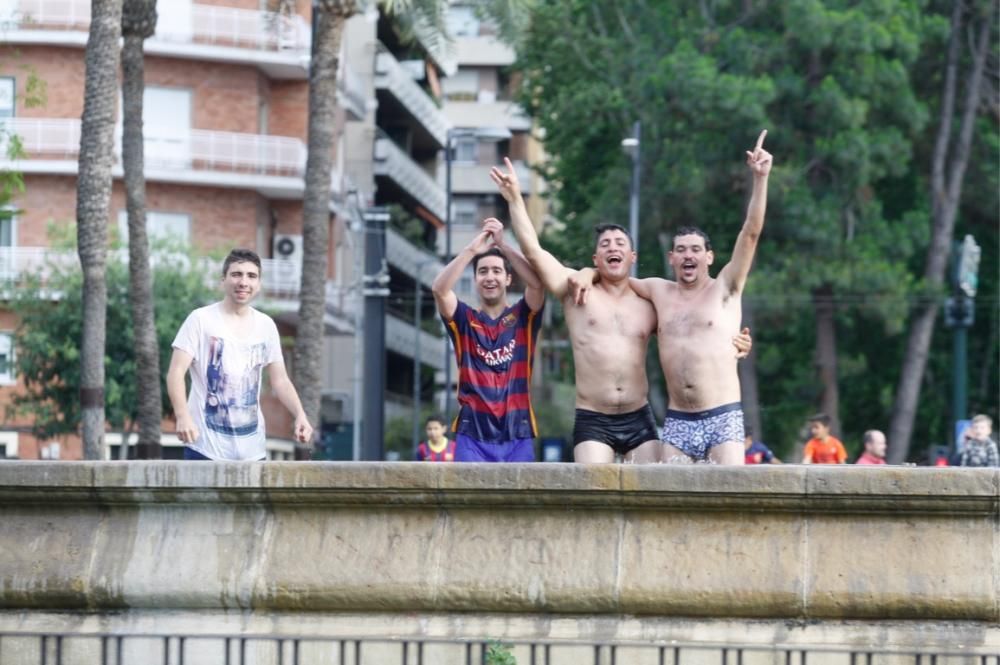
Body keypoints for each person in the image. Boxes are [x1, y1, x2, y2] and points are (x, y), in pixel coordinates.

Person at [490, 159, 752, 464]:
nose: (612, 247)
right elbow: (534, 251)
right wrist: (515, 200)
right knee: (594, 490)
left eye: (619, 243)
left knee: (653, 494)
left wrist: (736, 342)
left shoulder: (650, 301)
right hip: (593, 417)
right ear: (596, 257)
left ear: (632, 256)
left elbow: (690, 330)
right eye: (605, 245)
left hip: (639, 417)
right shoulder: (576, 291)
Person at [569, 130, 771, 464]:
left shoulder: (726, 288)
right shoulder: (656, 290)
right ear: (672, 259)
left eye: (695, 249)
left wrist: (760, 180)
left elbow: (750, 234)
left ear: (709, 257)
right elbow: (613, 275)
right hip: (678, 422)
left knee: (729, 498)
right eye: (680, 250)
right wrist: (585, 273)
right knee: (666, 506)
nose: (688, 255)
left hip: (722, 415)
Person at [166, 248, 313, 461]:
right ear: (223, 280)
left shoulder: (266, 325)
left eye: (251, 276)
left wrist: (300, 414)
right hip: (205, 448)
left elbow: (280, 381)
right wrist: (182, 416)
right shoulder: (200, 319)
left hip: (253, 451)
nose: (243, 282)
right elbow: (176, 372)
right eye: (236, 274)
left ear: (259, 284)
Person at [431, 218, 545, 462]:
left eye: (497, 271)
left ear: (508, 279)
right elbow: (439, 290)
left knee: (520, 500)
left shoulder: (523, 316)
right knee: (467, 501)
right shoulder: (464, 319)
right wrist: (472, 250)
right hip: (472, 435)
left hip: (518, 432)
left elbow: (537, 284)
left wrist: (504, 245)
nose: (490, 277)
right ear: (475, 280)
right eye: (483, 271)